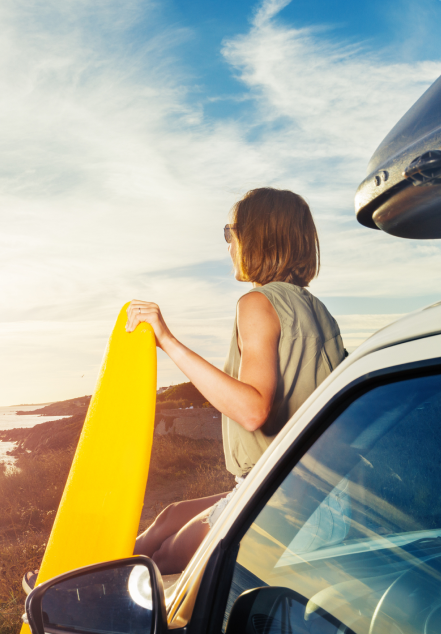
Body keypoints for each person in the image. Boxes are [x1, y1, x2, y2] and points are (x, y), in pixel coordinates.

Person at [128, 187, 346, 575]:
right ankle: (75, 570)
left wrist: (167, 341)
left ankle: (70, 596)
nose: (229, 244)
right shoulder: (319, 311)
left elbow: (252, 410)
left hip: (288, 504)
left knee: (163, 559)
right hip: (318, 495)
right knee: (169, 517)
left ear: (256, 238)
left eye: (231, 233)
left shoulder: (257, 303)